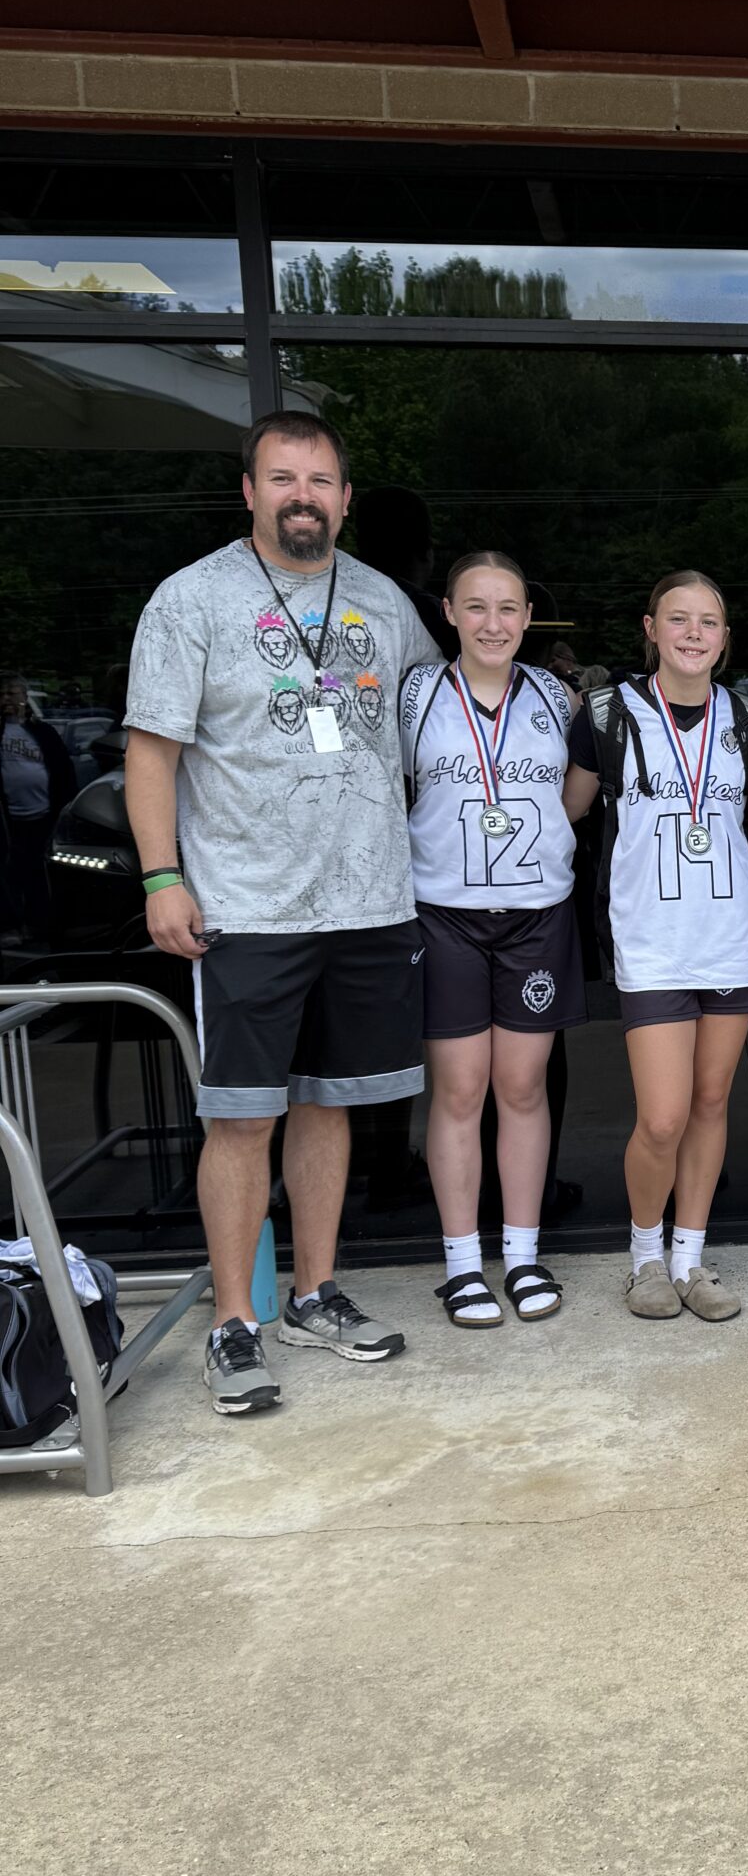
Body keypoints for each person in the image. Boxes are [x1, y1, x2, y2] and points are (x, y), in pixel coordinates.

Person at [124, 410, 438, 1416]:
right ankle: (233, 1322)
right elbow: (151, 753)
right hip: (248, 906)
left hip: (367, 900)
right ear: (250, 490)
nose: (304, 496)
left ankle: (314, 1292)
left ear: (344, 498)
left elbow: (435, 719)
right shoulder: (191, 600)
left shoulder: (384, 601)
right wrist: (161, 877)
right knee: (242, 1116)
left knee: (328, 1101)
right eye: (284, 479)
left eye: (321, 481)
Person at [400, 550, 598, 1329]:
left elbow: (574, 799)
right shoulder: (416, 695)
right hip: (445, 913)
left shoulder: (555, 695)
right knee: (459, 1091)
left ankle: (521, 1254)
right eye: (476, 606)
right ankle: (460, 1264)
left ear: (528, 617)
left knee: (522, 1088)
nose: (493, 623)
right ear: (449, 613)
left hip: (535, 914)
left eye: (508, 607)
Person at [577, 573, 748, 1325]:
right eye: (679, 619)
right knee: (662, 1117)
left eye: (709, 621)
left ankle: (690, 1256)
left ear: (725, 639)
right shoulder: (607, 714)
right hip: (651, 939)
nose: (694, 633)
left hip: (730, 935)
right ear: (651, 628)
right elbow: (566, 813)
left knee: (712, 1102)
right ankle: (645, 1258)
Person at [0, 675, 77, 942]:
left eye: (11, 694)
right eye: (2, 695)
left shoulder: (42, 732)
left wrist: (65, 808)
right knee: (10, 871)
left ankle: (41, 924)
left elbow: (63, 770)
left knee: (39, 870)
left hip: (43, 814)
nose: (6, 700)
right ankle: (11, 926)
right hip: (8, 818)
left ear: (24, 697)